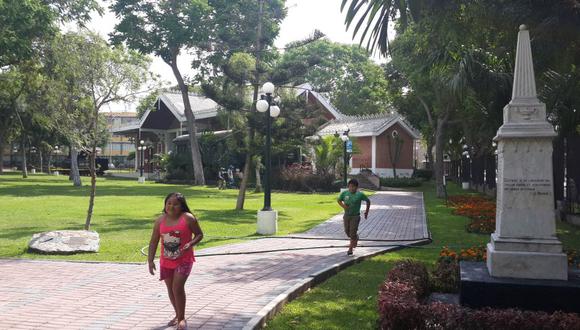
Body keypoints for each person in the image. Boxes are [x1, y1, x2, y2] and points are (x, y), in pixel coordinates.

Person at [148, 192, 204, 330]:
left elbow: (199, 234)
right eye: (169, 203)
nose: (171, 206)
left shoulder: (188, 218)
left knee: (177, 287)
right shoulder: (160, 220)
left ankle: (181, 319)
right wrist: (150, 260)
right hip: (165, 261)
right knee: (170, 289)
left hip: (184, 259)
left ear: (182, 206)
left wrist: (191, 244)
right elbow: (154, 241)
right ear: (165, 204)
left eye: (175, 204)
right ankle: (178, 314)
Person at [337, 179, 371, 256]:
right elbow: (339, 200)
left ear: (357, 187)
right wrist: (344, 206)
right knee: (347, 232)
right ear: (348, 186)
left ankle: (350, 249)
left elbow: (368, 201)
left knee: (352, 233)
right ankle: (356, 237)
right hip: (346, 216)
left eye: (353, 187)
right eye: (350, 186)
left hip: (355, 216)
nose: (352, 188)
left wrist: (366, 212)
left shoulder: (360, 195)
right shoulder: (345, 193)